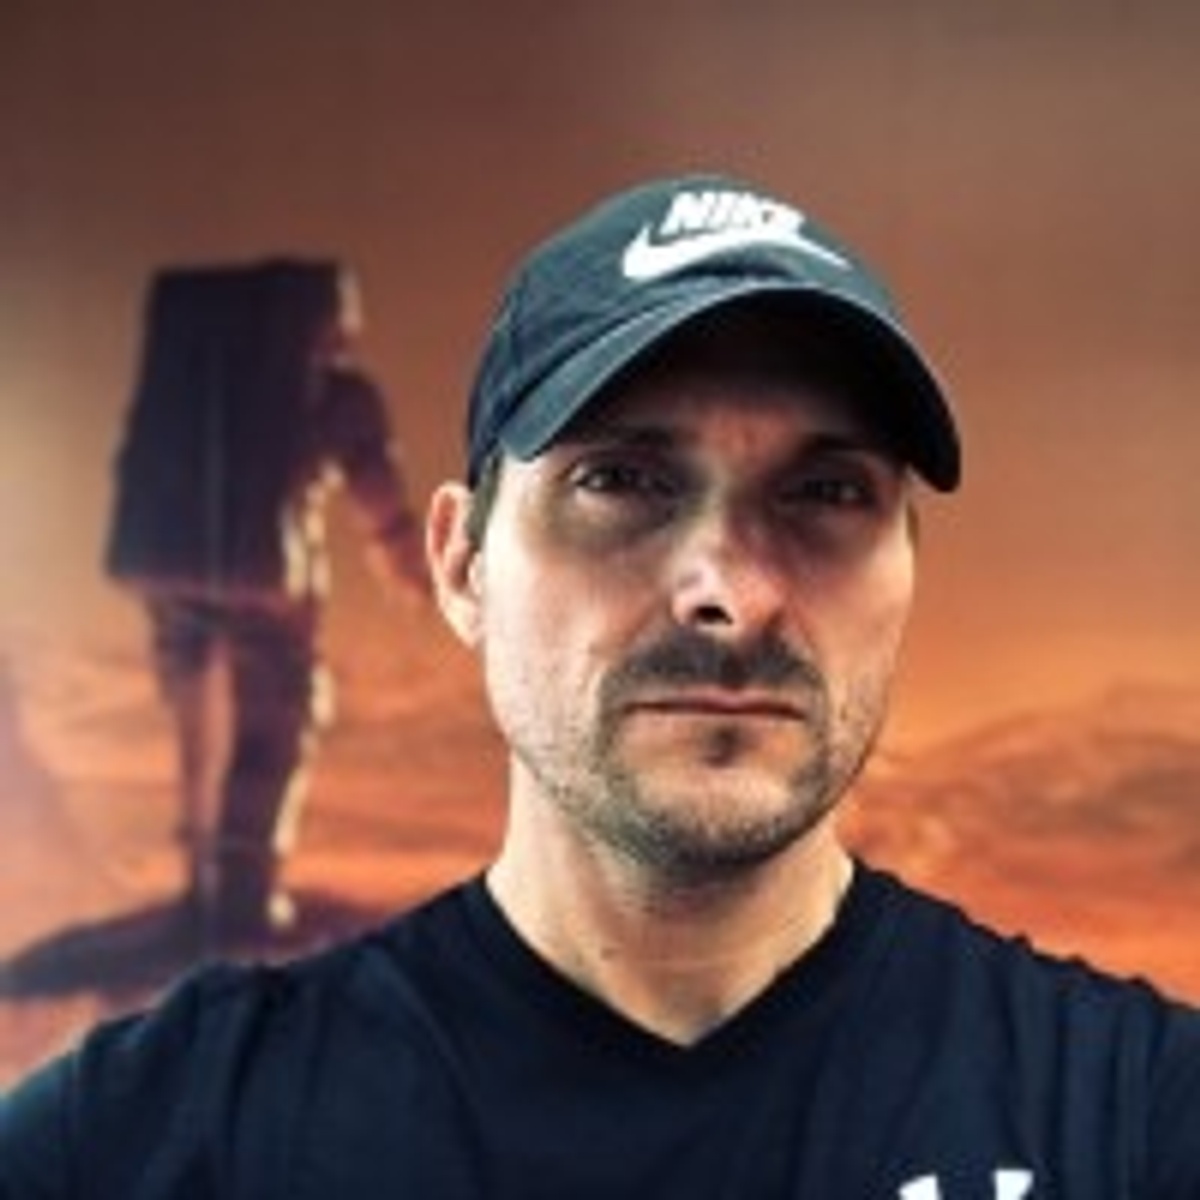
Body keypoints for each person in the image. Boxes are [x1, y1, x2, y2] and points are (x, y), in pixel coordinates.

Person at [2, 173, 1198, 1197]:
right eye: (622, 481)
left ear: (910, 571)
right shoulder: (151, 1143)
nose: (731, 592)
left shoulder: (1138, 1121)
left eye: (827, 493)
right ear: (462, 566)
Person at [102, 259, 428, 944]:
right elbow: (374, 488)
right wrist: (408, 564)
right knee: (273, 723)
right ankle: (244, 897)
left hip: (168, 568)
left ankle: (201, 889)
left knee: (196, 727)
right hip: (266, 582)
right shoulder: (334, 392)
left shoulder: (194, 382)